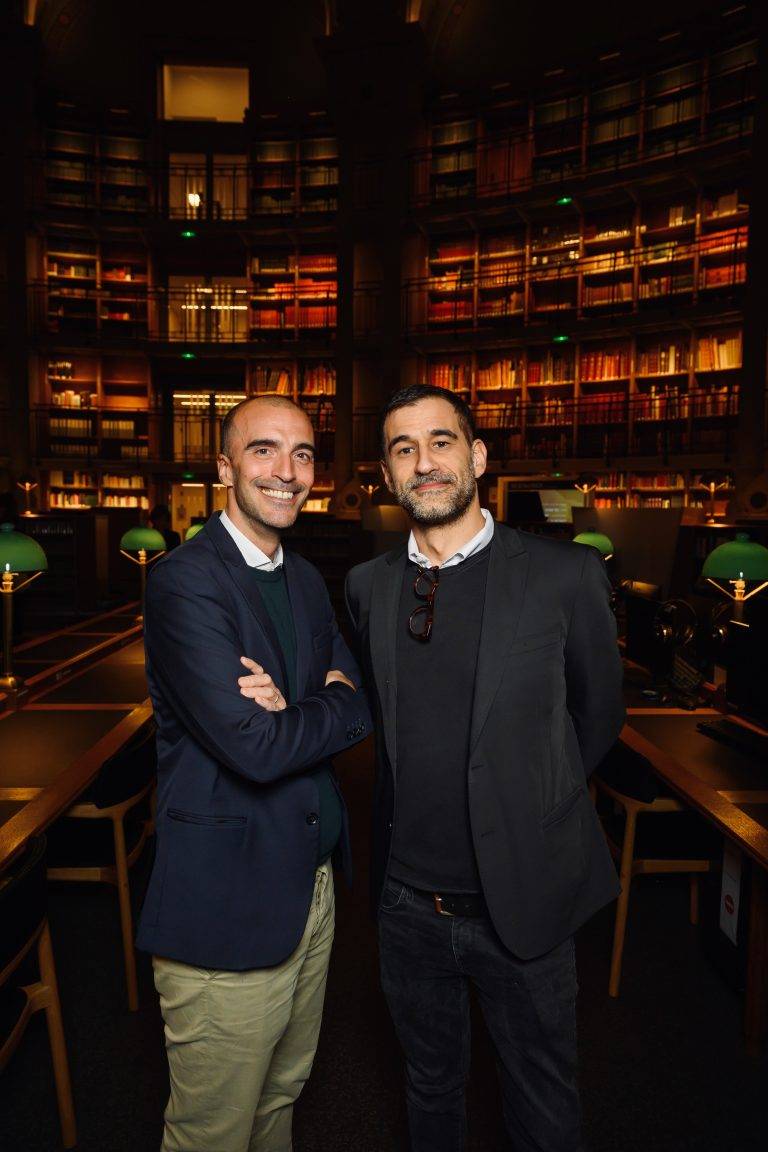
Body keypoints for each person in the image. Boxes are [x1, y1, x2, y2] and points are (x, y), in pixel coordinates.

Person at [344, 384, 625, 1152]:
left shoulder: (564, 576)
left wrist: (532, 804)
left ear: (477, 456)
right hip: (405, 906)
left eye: (441, 442)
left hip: (525, 896)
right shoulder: (367, 588)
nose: (424, 462)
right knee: (429, 1088)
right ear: (386, 472)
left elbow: (597, 718)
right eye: (404, 448)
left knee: (540, 1097)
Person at [137, 395, 372, 1152]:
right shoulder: (184, 582)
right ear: (225, 467)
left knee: (281, 1096)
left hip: (312, 884)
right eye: (264, 451)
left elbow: (358, 697)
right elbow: (255, 748)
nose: (287, 472)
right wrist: (318, 706)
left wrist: (300, 708)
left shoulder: (303, 577)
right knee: (213, 1130)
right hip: (228, 901)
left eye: (303, 454)